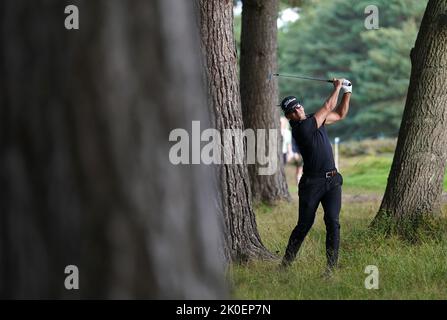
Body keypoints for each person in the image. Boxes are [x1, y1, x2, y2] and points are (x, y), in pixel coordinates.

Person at [279, 78, 352, 274]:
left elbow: (340, 114)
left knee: (333, 222)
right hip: (312, 183)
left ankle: (330, 269)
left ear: (301, 106)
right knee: (304, 225)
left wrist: (347, 91)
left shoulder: (314, 120)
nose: (297, 111)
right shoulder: (302, 129)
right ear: (289, 117)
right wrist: (337, 86)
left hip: (332, 180)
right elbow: (328, 105)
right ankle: (285, 265)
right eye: (292, 111)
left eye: (298, 106)